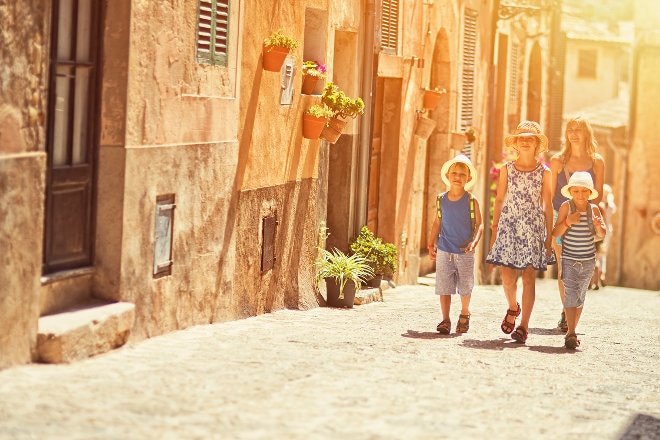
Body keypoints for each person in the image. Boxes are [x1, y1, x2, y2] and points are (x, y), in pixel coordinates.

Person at [486, 121, 555, 344]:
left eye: (530, 138)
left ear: (537, 144)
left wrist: (548, 236)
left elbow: (548, 205)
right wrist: (494, 231)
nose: (525, 141)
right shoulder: (507, 169)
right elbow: (498, 202)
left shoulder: (545, 172)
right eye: (522, 138)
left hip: (533, 228)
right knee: (507, 277)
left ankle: (524, 326)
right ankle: (513, 307)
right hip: (509, 226)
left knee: (528, 277)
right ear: (516, 143)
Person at [550, 117, 604, 331]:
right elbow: (550, 194)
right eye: (570, 129)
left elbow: (597, 197)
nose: (573, 133)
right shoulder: (557, 161)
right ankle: (566, 311)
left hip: (585, 219)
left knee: (580, 268)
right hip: (560, 215)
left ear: (587, 134)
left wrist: (590, 218)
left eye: (578, 130)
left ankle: (571, 308)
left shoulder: (597, 161)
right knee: (564, 267)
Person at [427, 154, 484, 334]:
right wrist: (431, 244)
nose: (457, 177)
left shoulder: (471, 200)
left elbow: (480, 224)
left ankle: (465, 313)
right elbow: (437, 222)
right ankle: (445, 320)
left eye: (461, 174)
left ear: (468, 178)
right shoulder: (440, 199)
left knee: (465, 285)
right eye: (454, 173)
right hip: (444, 249)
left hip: (464, 250)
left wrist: (474, 243)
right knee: (444, 286)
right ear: (448, 176)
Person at [552, 172, 606, 349]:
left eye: (584, 191)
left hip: (588, 260)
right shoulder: (566, 208)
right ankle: (571, 332)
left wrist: (599, 226)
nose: (580, 195)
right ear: (570, 192)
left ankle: (572, 329)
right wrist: (567, 222)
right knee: (570, 293)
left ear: (590, 193)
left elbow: (602, 234)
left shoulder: (594, 210)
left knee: (581, 295)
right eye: (576, 191)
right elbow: (556, 233)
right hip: (568, 257)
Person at [590, 184, 616, 290]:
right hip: (603, 232)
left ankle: (596, 280)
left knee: (595, 256)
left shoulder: (599, 206)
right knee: (600, 255)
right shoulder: (608, 206)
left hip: (597, 232)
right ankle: (599, 279)